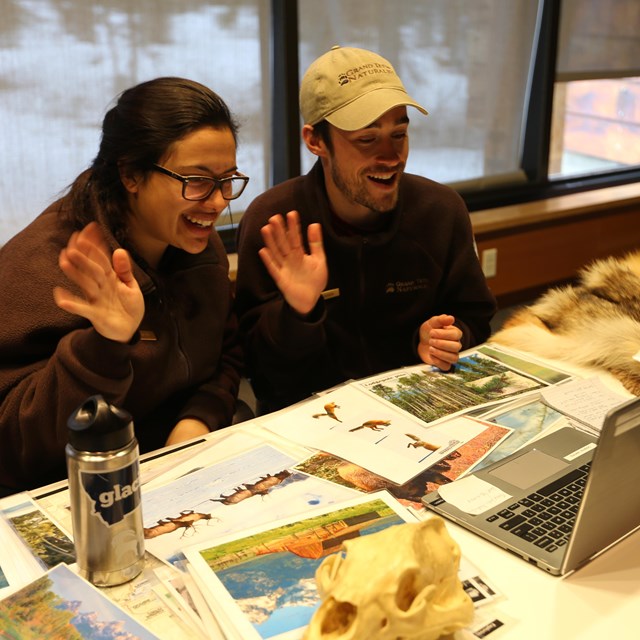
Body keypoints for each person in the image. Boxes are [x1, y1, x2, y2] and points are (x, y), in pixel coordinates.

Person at [0, 77, 247, 493]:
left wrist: (197, 421)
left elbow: (226, 354)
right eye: (197, 180)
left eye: (228, 180)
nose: (219, 202)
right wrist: (105, 346)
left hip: (174, 467)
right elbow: (14, 446)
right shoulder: (48, 265)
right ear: (131, 174)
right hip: (67, 492)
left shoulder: (196, 245)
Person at [235, 46, 497, 413]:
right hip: (309, 418)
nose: (391, 157)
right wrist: (299, 313)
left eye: (399, 135)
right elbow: (263, 376)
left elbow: (475, 317)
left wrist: (445, 338)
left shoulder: (439, 210)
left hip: (418, 403)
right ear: (315, 141)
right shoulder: (276, 221)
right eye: (367, 139)